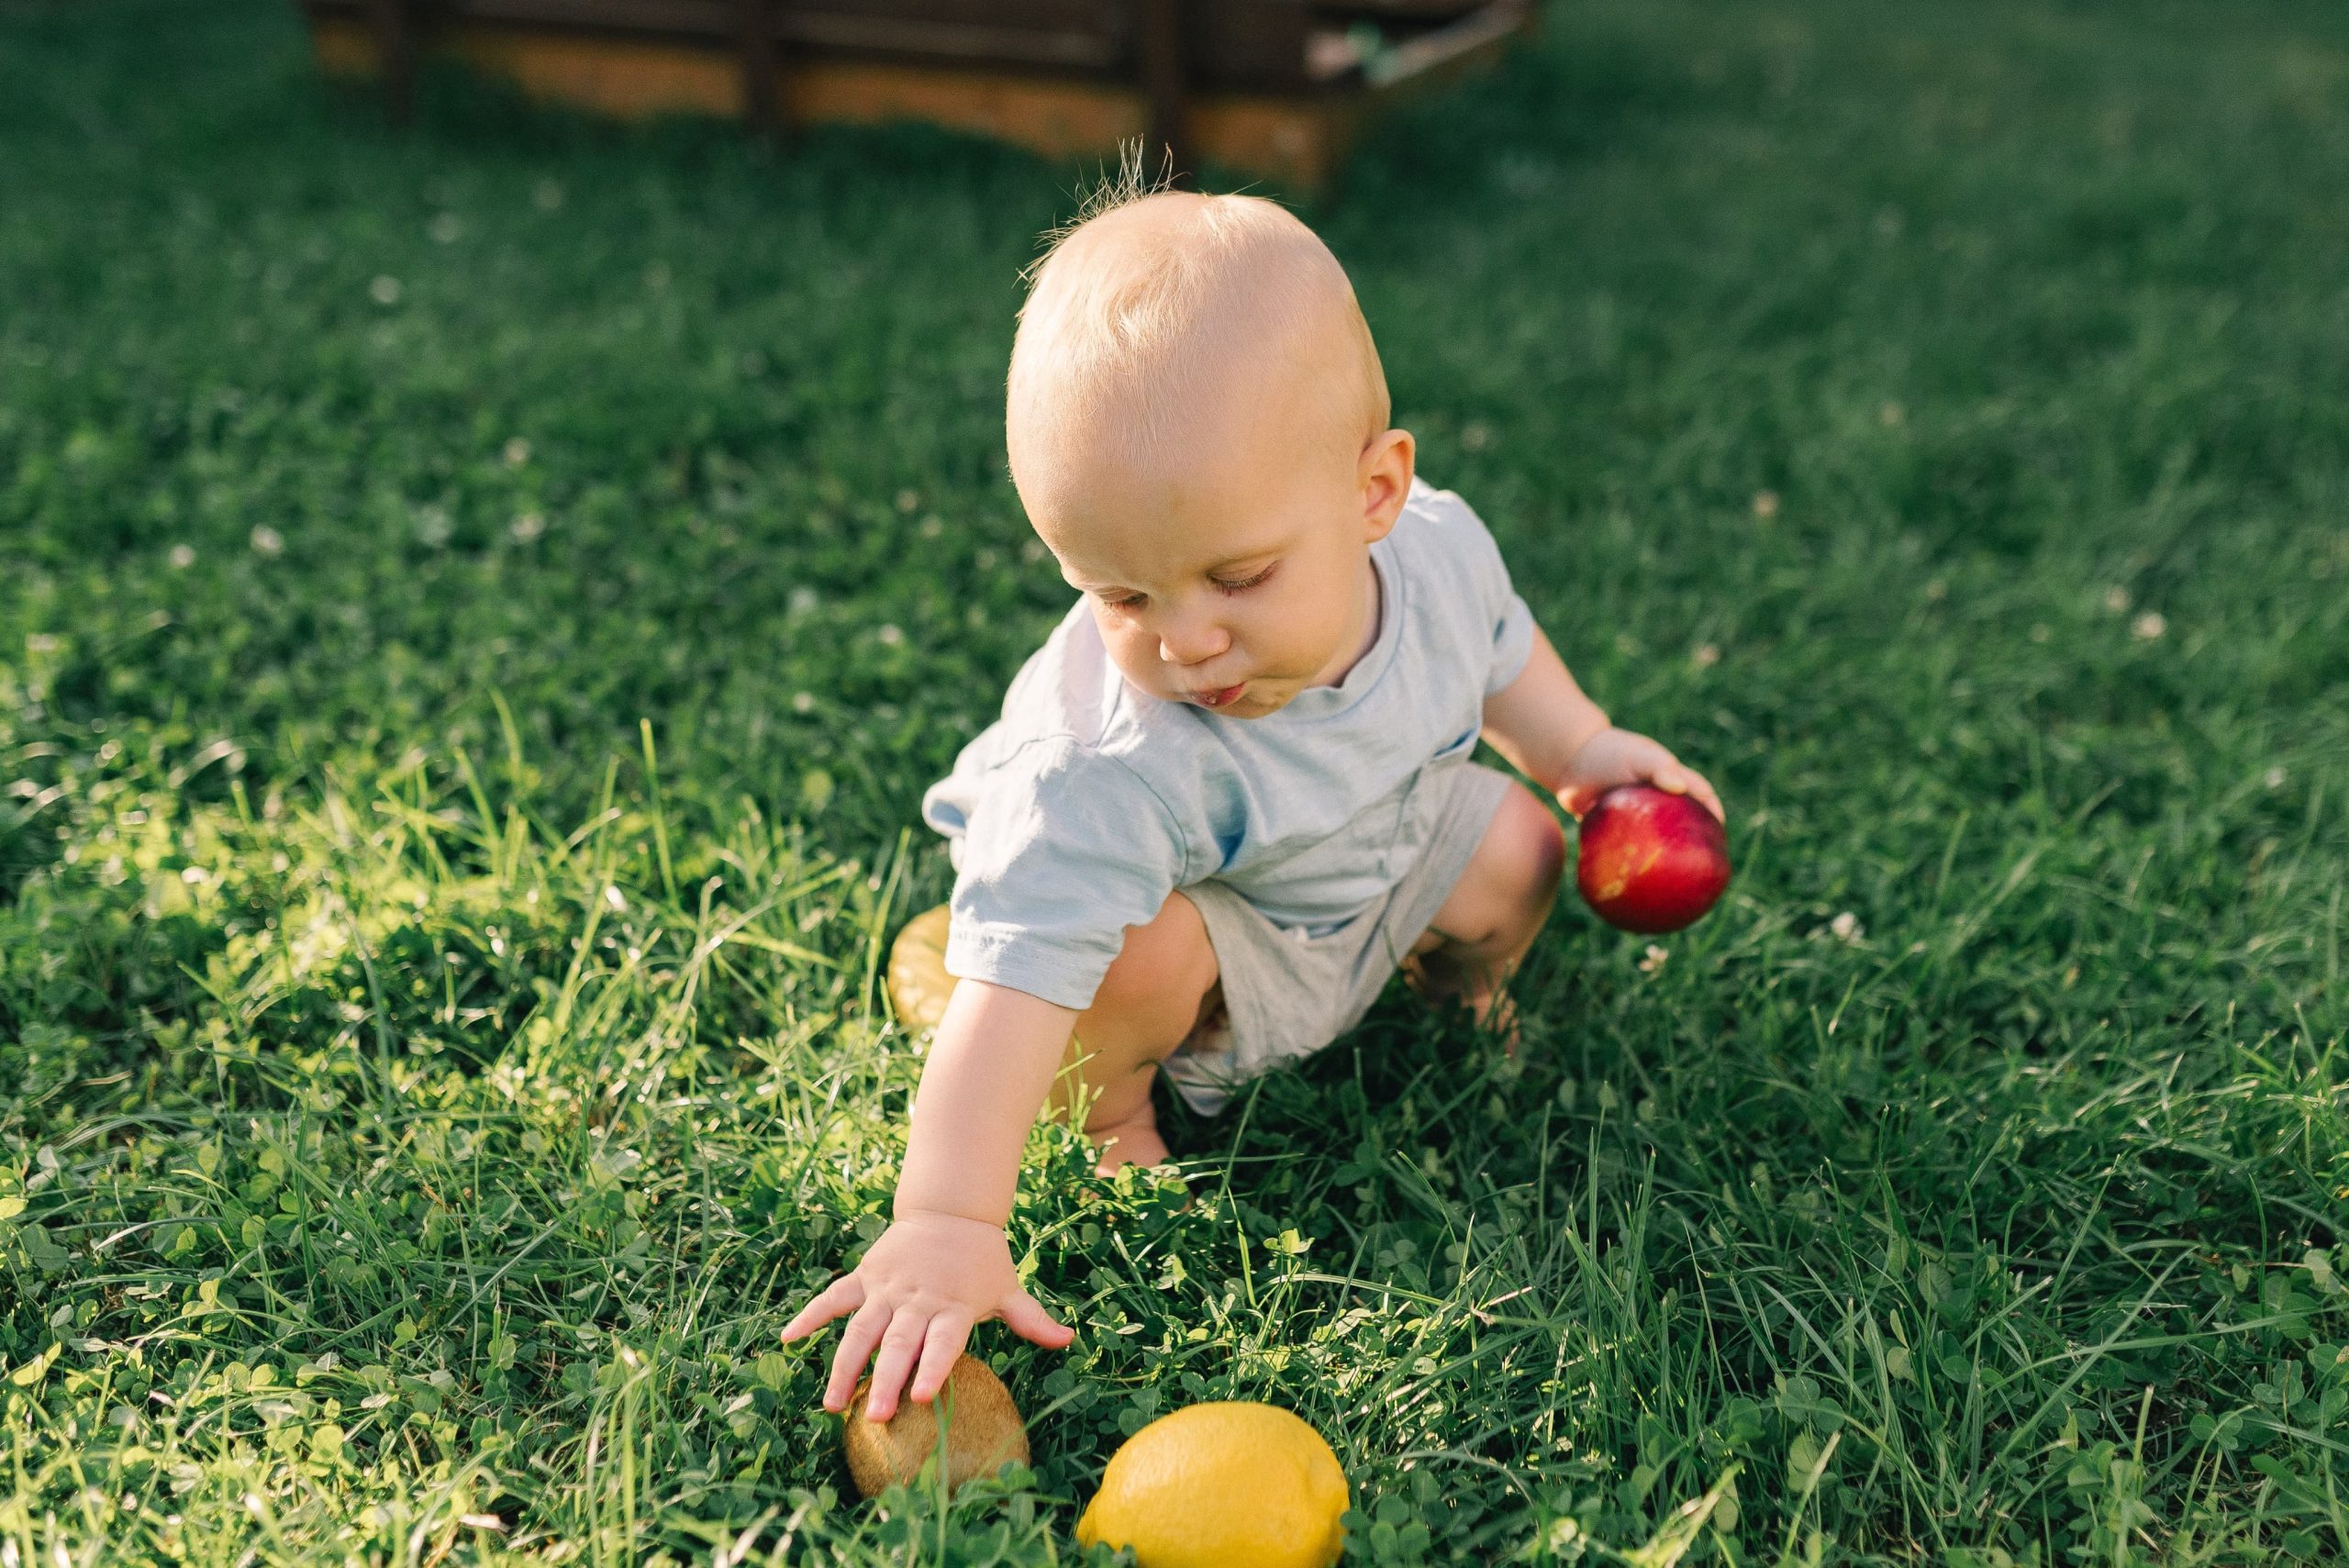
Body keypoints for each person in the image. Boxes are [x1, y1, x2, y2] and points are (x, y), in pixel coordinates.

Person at [781, 168, 1725, 1424]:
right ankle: (1116, 1109)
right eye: (1120, 594)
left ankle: (1455, 986)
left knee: (1511, 843)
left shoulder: (1440, 555)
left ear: (1375, 494)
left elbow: (1503, 659)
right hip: (1217, 922)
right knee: (1116, 958)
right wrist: (946, 1218)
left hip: (1364, 859)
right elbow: (1010, 993)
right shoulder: (1105, 765)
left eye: (1239, 575)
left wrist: (1587, 753)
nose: (1185, 643)